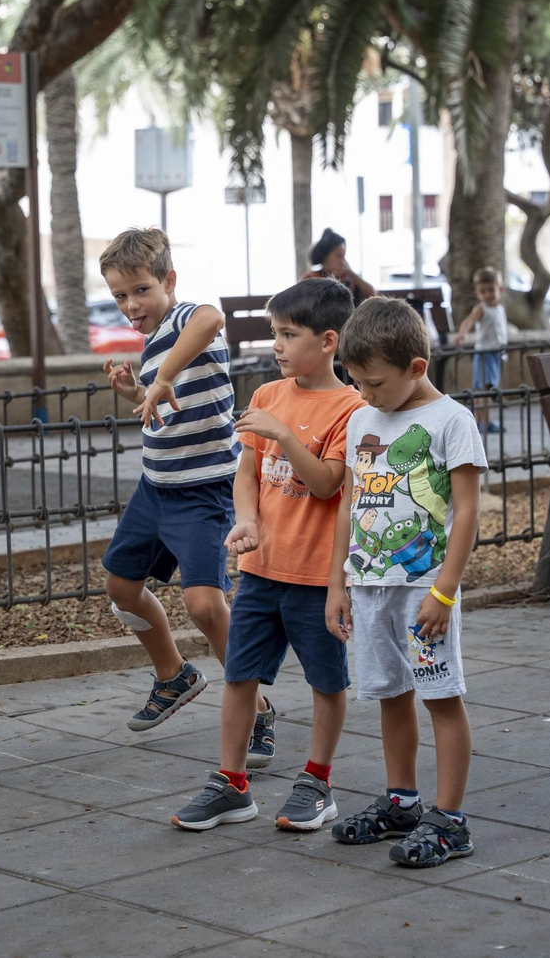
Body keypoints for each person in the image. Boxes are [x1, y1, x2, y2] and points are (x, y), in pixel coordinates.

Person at [169, 278, 363, 832]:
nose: (275, 345)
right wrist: (248, 519)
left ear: (328, 341)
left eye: (287, 334)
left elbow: (327, 485)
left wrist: (286, 434)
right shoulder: (266, 396)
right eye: (274, 333)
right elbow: (248, 473)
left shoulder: (350, 409)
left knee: (327, 681)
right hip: (261, 572)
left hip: (313, 576)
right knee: (239, 675)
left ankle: (317, 781)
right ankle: (231, 784)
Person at [325, 296, 488, 868]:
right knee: (389, 694)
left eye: (374, 383)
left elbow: (466, 511)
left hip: (424, 592)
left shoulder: (451, 420)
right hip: (368, 587)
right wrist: (337, 584)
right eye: (356, 382)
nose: (365, 395)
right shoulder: (362, 417)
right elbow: (348, 504)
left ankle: (450, 819)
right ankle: (402, 803)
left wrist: (445, 590)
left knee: (441, 696)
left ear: (416, 368)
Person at [99, 228, 254, 731]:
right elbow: (161, 403)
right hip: (155, 487)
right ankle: (173, 675)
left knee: (205, 604)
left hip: (204, 488)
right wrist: (135, 391)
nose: (131, 304)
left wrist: (162, 376)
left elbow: (212, 318)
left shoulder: (187, 318)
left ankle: (256, 709)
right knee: (121, 586)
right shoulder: (151, 345)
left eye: (141, 290)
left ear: (168, 280)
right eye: (120, 295)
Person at [455, 266, 508, 433]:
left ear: (500, 289)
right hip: (484, 353)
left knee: (488, 389)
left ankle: (487, 420)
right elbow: (468, 321)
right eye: (483, 291)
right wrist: (462, 334)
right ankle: (479, 422)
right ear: (477, 293)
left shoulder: (499, 308)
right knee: (481, 389)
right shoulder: (481, 309)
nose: (487, 295)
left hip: (496, 353)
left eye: (491, 290)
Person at [302, 229, 377, 304]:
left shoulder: (348, 278)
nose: (343, 261)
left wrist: (352, 273)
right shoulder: (311, 277)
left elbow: (371, 295)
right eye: (338, 256)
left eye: (344, 257)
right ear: (325, 257)